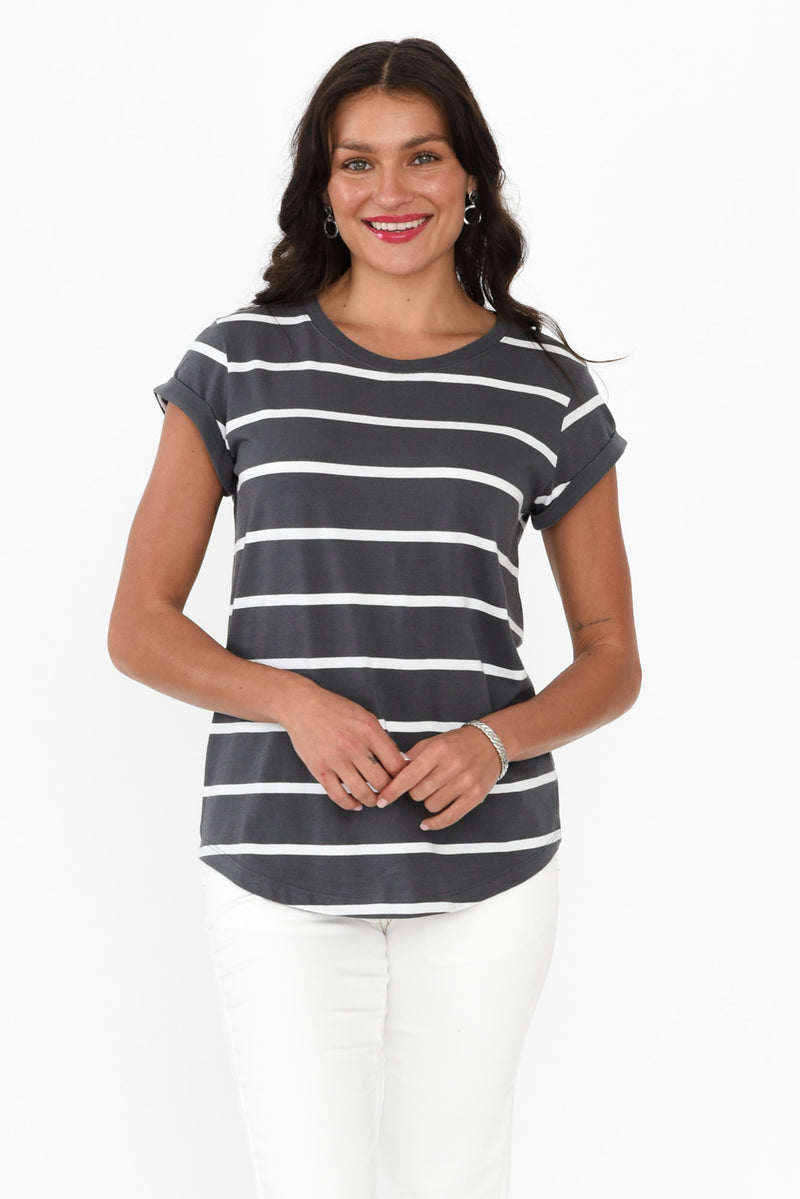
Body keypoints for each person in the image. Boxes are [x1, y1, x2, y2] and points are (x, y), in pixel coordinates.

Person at [108, 37, 641, 1199]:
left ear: (469, 179)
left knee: (458, 1180)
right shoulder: (238, 361)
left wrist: (494, 739)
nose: (388, 190)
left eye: (421, 157)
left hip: (488, 865)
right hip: (277, 860)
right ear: (323, 183)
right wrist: (290, 701)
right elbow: (139, 624)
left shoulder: (544, 387)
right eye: (357, 161)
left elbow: (611, 658)